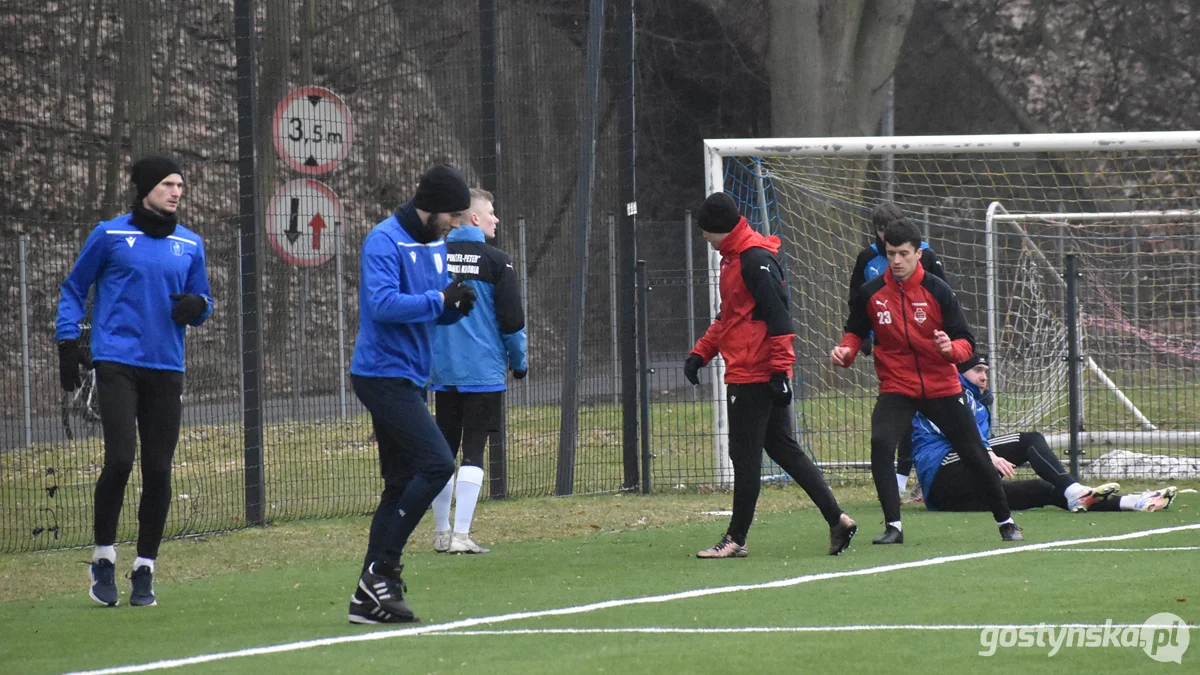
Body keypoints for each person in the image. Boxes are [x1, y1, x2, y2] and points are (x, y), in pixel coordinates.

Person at [56, 155, 213, 607]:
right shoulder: (110, 235)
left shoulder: (189, 243)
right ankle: (103, 557)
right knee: (121, 459)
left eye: (181, 185)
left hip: (166, 367)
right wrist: (68, 343)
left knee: (159, 469)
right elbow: (73, 288)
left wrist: (197, 306)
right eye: (168, 184)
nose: (177, 191)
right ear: (146, 187)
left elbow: (204, 299)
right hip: (117, 363)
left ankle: (144, 568)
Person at [683, 192, 858, 559]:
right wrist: (701, 353)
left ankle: (736, 538)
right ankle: (837, 518)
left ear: (720, 229)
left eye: (706, 231)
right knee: (783, 448)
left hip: (754, 374)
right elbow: (730, 319)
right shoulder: (736, 259)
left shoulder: (754, 260)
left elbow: (780, 320)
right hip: (756, 370)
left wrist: (780, 370)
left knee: (744, 457)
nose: (704, 238)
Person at [831, 217, 1021, 545]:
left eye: (903, 253)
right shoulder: (871, 293)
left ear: (918, 254)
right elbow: (855, 331)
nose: (896, 260)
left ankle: (1005, 521)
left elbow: (966, 342)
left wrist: (951, 349)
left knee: (975, 453)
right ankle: (894, 526)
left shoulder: (938, 290)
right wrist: (846, 351)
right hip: (897, 387)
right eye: (891, 253)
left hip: (942, 387)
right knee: (880, 443)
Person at [347, 164, 479, 625]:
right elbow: (382, 305)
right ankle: (383, 569)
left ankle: (368, 596)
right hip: (379, 374)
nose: (458, 224)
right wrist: (438, 302)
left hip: (408, 377)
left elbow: (428, 312)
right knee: (439, 464)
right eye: (454, 215)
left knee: (401, 484)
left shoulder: (436, 243)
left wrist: (453, 309)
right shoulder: (384, 240)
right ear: (433, 207)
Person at [914, 355, 1179, 514]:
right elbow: (958, 433)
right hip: (943, 476)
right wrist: (988, 454)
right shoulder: (946, 394)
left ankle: (1133, 502)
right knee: (1029, 440)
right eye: (977, 371)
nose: (984, 377)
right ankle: (1074, 488)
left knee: (1044, 490)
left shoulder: (978, 403)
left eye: (986, 371)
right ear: (958, 373)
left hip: (952, 499)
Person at [430, 188, 527, 555]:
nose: (496, 219)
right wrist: (518, 364)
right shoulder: (498, 263)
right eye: (490, 212)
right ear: (473, 218)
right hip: (483, 374)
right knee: (473, 452)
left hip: (443, 374)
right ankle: (461, 536)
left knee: (443, 452)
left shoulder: (434, 258)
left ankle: (441, 533)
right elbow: (513, 323)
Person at [847, 202, 950, 502]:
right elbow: (857, 299)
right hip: (890, 353)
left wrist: (945, 340)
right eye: (881, 232)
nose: (895, 257)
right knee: (899, 415)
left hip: (930, 352)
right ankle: (900, 484)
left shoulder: (926, 254)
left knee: (935, 417)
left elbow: (945, 296)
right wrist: (860, 337)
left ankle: (932, 472)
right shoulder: (867, 258)